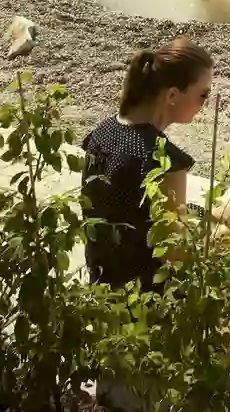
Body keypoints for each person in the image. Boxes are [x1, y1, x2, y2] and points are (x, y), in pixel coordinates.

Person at [80, 39, 213, 289]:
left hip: (101, 283)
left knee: (215, 215)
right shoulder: (164, 161)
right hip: (144, 299)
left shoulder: (100, 134)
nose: (204, 104)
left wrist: (205, 216)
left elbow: (129, 209)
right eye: (204, 94)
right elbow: (174, 253)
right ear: (172, 95)